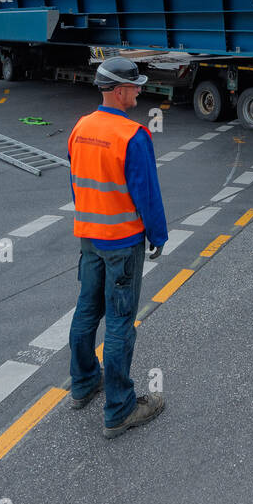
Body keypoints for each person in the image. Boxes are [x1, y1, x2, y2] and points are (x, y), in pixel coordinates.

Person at [67, 57, 168, 437]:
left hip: (89, 237)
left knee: (87, 310)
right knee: (121, 322)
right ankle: (120, 409)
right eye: (136, 86)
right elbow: (147, 195)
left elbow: (76, 181)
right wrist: (157, 235)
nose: (140, 91)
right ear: (120, 90)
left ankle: (82, 384)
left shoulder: (80, 128)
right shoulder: (132, 135)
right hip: (122, 243)